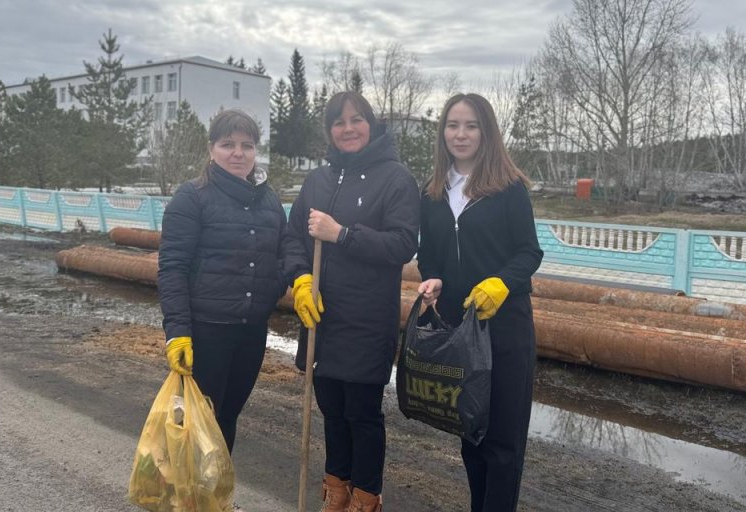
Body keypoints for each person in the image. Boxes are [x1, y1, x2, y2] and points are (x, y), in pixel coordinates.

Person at [285, 91, 420, 512]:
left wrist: (342, 234)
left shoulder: (396, 178)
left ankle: (365, 497)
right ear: (329, 130)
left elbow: (403, 244)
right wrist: (301, 279)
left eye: (356, 119)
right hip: (322, 319)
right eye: (339, 122)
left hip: (367, 321)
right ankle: (336, 490)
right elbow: (292, 238)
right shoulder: (317, 181)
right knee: (331, 408)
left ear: (371, 124)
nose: (348, 129)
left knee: (361, 413)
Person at [416, 93, 543, 512]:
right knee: (472, 436)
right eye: (453, 125)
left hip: (506, 329)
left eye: (471, 125)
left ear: (486, 132)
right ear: (443, 133)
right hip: (459, 329)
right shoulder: (433, 192)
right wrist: (432, 279)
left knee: (503, 443)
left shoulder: (509, 188)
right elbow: (429, 255)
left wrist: (502, 284)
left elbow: (529, 252)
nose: (461, 134)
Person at [159, 109, 303, 457]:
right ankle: (188, 490)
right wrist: (178, 331)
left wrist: (289, 282)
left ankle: (217, 487)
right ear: (211, 149)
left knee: (227, 417)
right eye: (228, 144)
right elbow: (173, 267)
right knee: (197, 421)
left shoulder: (268, 199)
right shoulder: (191, 197)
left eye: (247, 145)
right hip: (206, 331)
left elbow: (285, 247)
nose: (238, 153)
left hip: (251, 332)